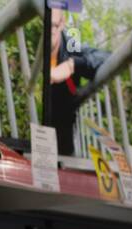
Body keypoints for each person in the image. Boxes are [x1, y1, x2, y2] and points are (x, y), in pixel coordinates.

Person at [46, 8, 110, 155]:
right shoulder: (27, 35)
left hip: (61, 144)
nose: (48, 31)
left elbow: (106, 57)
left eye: (53, 26)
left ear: (62, 23)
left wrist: (72, 64)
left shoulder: (71, 45)